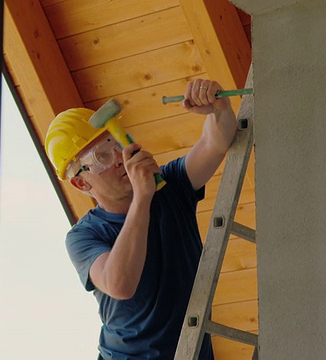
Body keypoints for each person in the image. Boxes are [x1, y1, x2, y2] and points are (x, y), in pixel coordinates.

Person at [44, 79, 237, 359]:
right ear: (81, 185)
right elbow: (119, 284)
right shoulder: (84, 236)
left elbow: (216, 142)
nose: (118, 158)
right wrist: (142, 198)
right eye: (101, 157)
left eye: (113, 144)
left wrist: (217, 108)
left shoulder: (169, 188)